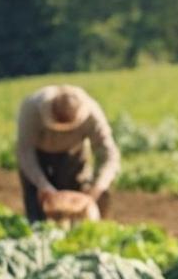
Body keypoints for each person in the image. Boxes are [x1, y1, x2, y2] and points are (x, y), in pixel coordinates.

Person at [16, 84, 120, 222]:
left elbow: (109, 154)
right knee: (36, 207)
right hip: (38, 154)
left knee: (77, 204)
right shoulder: (31, 108)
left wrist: (97, 188)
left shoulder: (92, 114)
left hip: (73, 153)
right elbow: (25, 152)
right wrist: (43, 186)